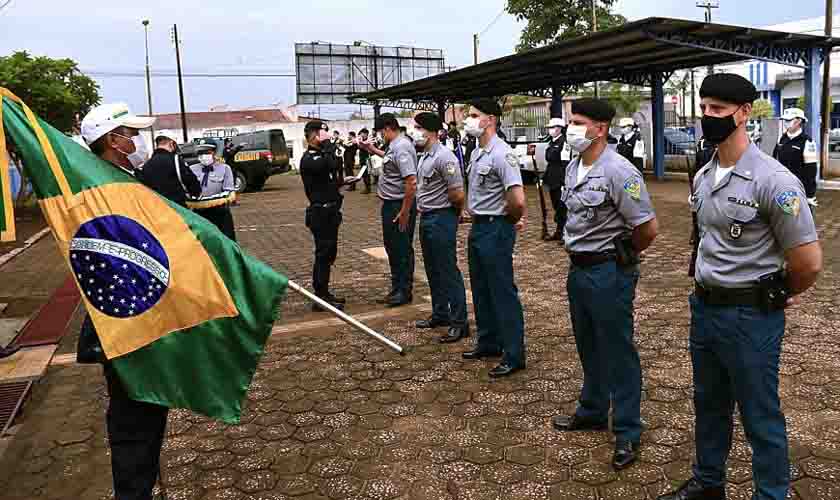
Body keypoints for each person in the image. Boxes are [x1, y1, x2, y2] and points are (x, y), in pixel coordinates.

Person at [658, 74, 822, 500]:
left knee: (759, 414)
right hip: (706, 309)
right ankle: (708, 483)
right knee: (709, 404)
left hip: (751, 316)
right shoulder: (705, 173)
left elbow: (808, 262)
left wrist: (776, 294)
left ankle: (771, 493)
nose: (708, 116)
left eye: (718, 109)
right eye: (704, 107)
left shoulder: (775, 181)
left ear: (744, 113)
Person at [551, 98, 659, 472]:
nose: (571, 129)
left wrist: (622, 257)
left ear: (600, 128)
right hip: (578, 269)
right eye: (571, 122)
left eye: (578, 123)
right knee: (588, 343)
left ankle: (628, 428)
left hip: (608, 271)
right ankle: (593, 410)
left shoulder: (620, 172)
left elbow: (647, 228)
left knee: (617, 349)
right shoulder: (572, 167)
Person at [79, 102, 168, 500]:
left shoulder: (123, 181)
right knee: (134, 424)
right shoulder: (104, 192)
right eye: (130, 134)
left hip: (142, 319)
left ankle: (142, 487)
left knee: (149, 417)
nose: (136, 140)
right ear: (114, 142)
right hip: (125, 324)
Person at [459, 98, 527, 378]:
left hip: (496, 227)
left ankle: (514, 353)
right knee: (481, 287)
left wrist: (506, 222)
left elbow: (518, 200)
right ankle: (488, 342)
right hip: (478, 226)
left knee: (501, 291)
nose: (468, 120)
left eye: (474, 115)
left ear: (490, 120)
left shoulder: (502, 154)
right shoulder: (477, 153)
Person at [410, 112, 469, 343]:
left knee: (447, 270)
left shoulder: (445, 157)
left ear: (430, 131)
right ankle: (440, 313)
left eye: (417, 127)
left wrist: (453, 214)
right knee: (433, 269)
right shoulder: (424, 156)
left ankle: (459, 322)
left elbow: (457, 193)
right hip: (426, 217)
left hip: (441, 217)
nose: (414, 131)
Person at [359, 113, 418, 307]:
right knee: (392, 247)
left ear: (387, 128)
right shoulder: (395, 146)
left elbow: (411, 181)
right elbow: (390, 161)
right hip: (391, 204)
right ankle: (397, 288)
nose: (380, 136)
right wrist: (372, 149)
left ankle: (404, 291)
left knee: (401, 248)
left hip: (399, 205)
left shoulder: (401, 147)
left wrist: (405, 211)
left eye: (380, 132)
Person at [299, 121, 354, 312]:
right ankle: (320, 297)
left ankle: (325, 293)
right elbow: (329, 164)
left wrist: (342, 182)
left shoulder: (322, 155)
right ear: (314, 135)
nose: (327, 137)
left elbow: (334, 168)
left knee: (329, 254)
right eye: (323, 133)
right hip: (320, 213)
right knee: (323, 255)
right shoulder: (309, 158)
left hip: (330, 211)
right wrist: (329, 145)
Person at [188, 143, 237, 241]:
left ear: (213, 153)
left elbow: (228, 191)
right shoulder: (191, 169)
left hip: (220, 212)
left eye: (206, 153)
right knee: (202, 243)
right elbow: (187, 190)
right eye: (200, 154)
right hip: (199, 213)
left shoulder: (224, 168)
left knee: (225, 241)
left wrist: (211, 201)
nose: (203, 156)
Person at [773, 107, 818, 208]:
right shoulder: (782, 139)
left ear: (798, 121)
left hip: (798, 189)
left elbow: (811, 170)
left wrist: (809, 195)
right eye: (784, 120)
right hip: (782, 187)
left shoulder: (807, 142)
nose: (785, 123)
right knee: (783, 219)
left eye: (788, 120)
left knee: (799, 220)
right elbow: (774, 161)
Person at [139, 135, 202, 208]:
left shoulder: (147, 164)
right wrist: (196, 193)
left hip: (157, 207)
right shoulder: (175, 160)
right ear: (172, 143)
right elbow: (190, 181)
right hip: (178, 206)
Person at [543, 117, 571, 242]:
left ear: (559, 129)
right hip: (552, 178)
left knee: (562, 207)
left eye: (552, 127)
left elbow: (565, 163)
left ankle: (564, 232)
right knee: (555, 205)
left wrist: (564, 182)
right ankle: (559, 231)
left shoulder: (564, 142)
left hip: (560, 178)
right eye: (549, 128)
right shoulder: (552, 141)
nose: (550, 130)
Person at [358, 128, 372, 194]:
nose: (361, 135)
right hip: (362, 159)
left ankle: (368, 188)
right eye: (361, 133)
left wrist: (361, 144)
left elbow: (367, 148)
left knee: (366, 174)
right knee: (364, 174)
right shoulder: (361, 140)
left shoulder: (368, 140)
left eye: (362, 133)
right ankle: (367, 187)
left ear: (366, 134)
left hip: (366, 159)